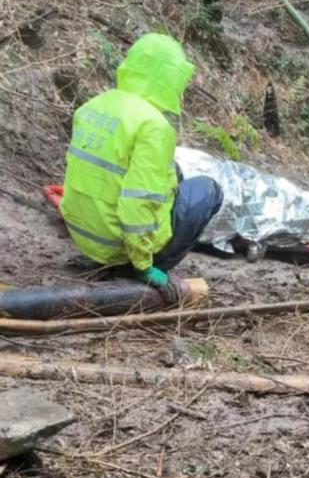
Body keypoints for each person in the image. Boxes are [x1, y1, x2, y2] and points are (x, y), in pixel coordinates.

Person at [60, 33, 223, 298]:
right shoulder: (153, 126)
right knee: (208, 190)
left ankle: (118, 256)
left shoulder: (92, 107)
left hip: (86, 238)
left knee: (175, 172)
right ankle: (140, 264)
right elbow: (137, 202)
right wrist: (143, 266)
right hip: (116, 246)